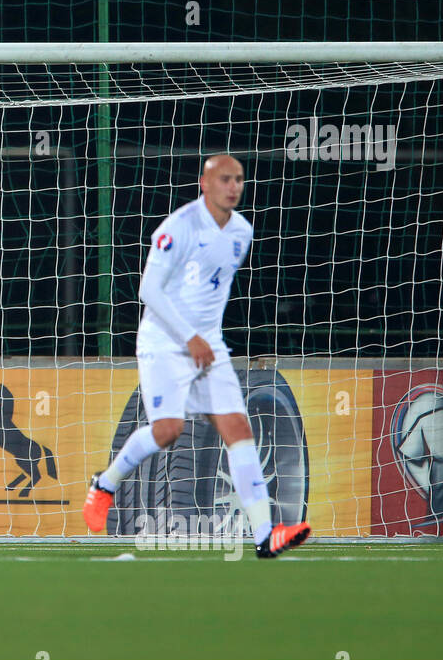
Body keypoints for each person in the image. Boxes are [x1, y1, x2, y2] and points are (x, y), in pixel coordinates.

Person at [83, 155, 311, 558]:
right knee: (167, 430)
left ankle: (265, 533)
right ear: (204, 183)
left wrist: (203, 339)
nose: (233, 186)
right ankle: (106, 484)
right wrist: (189, 338)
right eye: (225, 179)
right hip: (165, 342)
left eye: (239, 179)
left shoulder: (242, 232)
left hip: (208, 346)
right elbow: (149, 290)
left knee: (237, 428)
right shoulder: (178, 227)